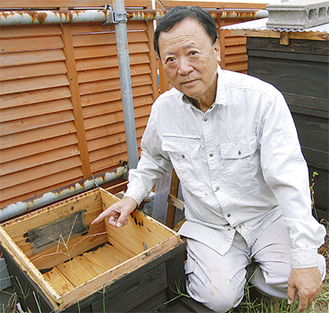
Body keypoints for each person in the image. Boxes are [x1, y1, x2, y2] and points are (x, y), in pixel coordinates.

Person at [92, 6, 326, 313]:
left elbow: (289, 180)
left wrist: (305, 259)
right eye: (171, 60)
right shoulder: (164, 109)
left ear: (216, 50)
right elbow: (153, 158)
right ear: (162, 64)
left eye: (193, 53)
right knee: (217, 299)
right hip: (211, 226)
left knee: (300, 278)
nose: (183, 68)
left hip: (264, 219)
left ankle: (251, 271)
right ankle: (234, 273)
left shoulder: (261, 100)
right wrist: (131, 197)